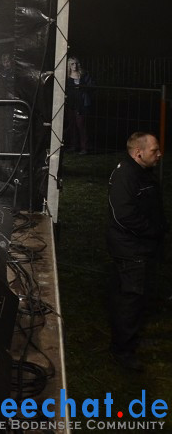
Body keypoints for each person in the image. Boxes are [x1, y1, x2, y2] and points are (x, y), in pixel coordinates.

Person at [106, 132, 165, 372]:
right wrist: (152, 230)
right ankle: (123, 350)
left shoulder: (140, 173)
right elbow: (124, 215)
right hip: (131, 248)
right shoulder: (125, 176)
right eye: (155, 150)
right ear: (138, 153)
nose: (160, 154)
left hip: (140, 246)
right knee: (130, 297)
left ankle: (131, 339)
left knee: (137, 295)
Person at [64, 55, 95, 154]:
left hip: (82, 104)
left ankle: (84, 147)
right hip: (71, 104)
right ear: (69, 65)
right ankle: (74, 146)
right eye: (72, 64)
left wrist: (83, 88)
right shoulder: (66, 77)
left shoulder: (84, 75)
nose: (74, 66)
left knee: (81, 125)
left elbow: (92, 87)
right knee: (72, 125)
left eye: (76, 63)